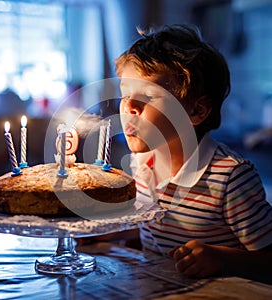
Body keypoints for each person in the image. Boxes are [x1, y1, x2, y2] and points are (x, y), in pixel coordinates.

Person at [114, 24, 272, 279]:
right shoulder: (139, 164)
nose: (129, 107)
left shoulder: (229, 179)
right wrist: (117, 233)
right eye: (125, 94)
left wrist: (223, 260)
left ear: (196, 111)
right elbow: (158, 231)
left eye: (148, 96)